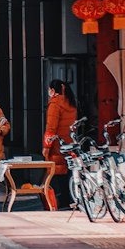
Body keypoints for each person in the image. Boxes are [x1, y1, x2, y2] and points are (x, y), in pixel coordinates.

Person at [44, 78, 77, 210]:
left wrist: (46, 147)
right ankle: (69, 198)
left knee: (56, 173)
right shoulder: (71, 102)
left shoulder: (55, 104)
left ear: (52, 90)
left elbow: (51, 128)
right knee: (68, 171)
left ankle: (59, 201)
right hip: (69, 142)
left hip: (57, 144)